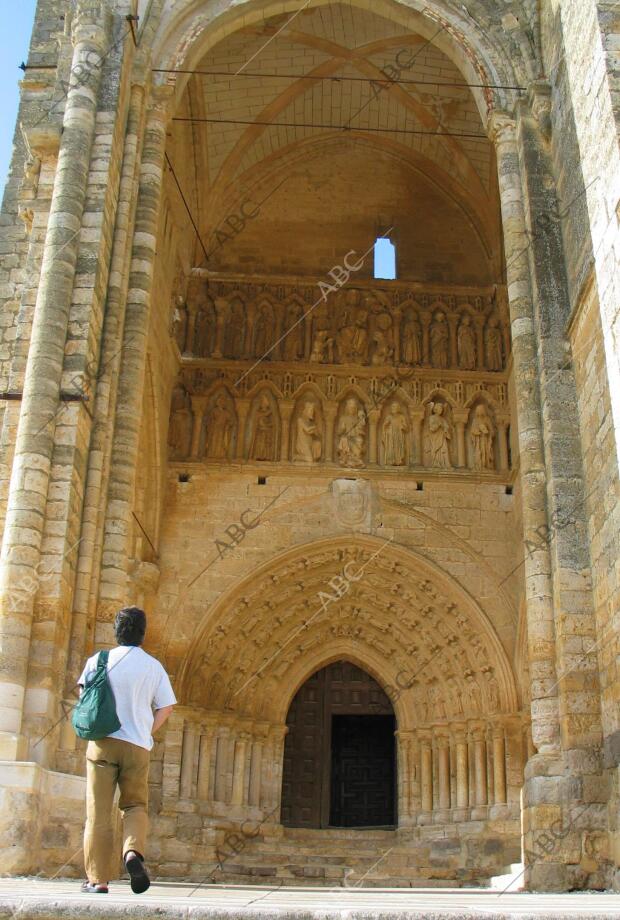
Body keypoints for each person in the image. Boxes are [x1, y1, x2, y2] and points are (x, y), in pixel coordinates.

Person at [78, 606, 176, 895]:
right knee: (134, 805)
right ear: (142, 634)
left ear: (116, 632)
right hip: (137, 745)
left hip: (103, 742)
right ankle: (132, 853)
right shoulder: (153, 666)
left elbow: (84, 698)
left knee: (99, 810)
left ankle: (98, 879)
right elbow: (166, 707)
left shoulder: (99, 660)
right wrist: (146, 731)